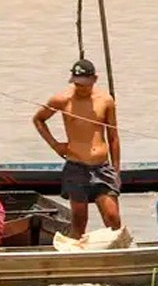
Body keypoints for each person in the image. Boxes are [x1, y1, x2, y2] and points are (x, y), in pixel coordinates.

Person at [32, 59, 123, 238]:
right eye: (77, 84)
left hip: (102, 167)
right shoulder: (62, 99)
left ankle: (118, 251)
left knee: (112, 217)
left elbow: (113, 137)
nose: (80, 88)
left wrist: (117, 169)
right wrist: (55, 145)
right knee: (79, 221)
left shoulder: (105, 100)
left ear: (94, 79)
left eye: (84, 84)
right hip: (76, 166)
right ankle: (77, 253)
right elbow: (38, 119)